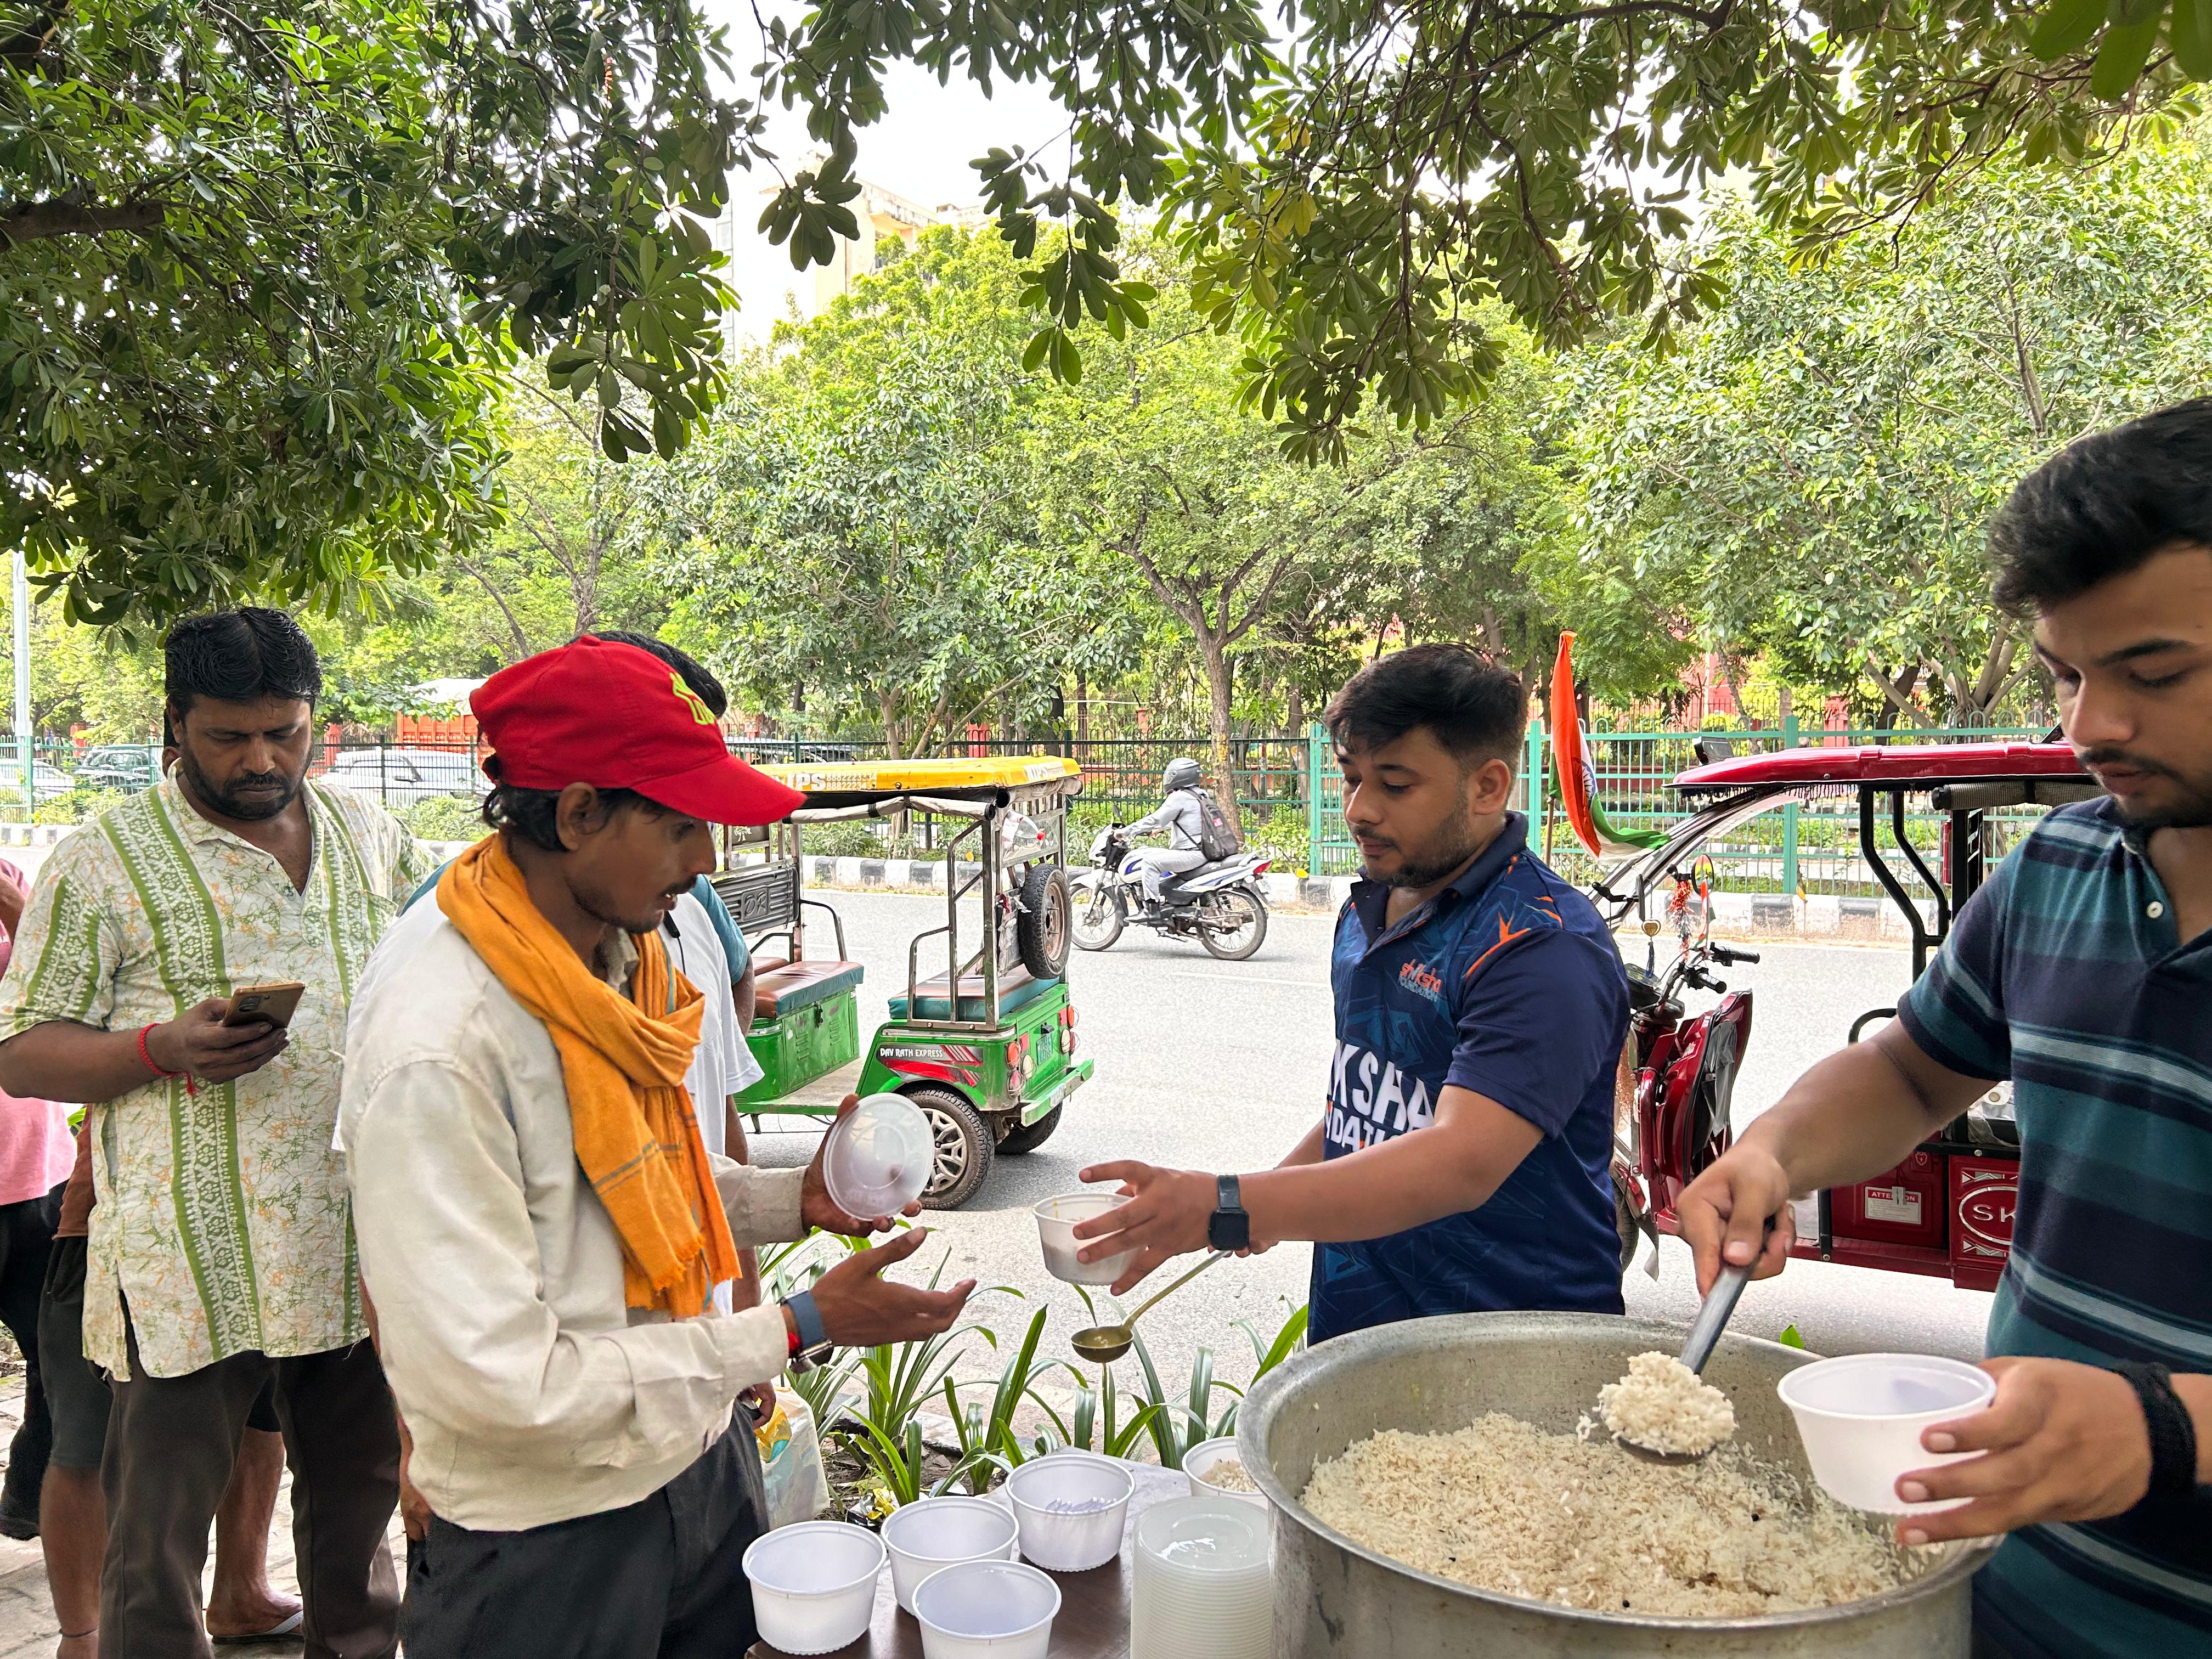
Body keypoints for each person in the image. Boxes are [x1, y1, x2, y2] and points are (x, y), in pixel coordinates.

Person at [1678, 403, 2212, 1659]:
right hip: (2003, 1593)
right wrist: (1775, 1153)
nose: (2090, 729)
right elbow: (1915, 1066)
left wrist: (2169, 1429)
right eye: (2067, 676)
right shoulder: (2058, 871)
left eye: (2154, 673)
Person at [339, 636, 975, 1659]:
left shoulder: (613, 958)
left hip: (692, 1462)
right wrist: (798, 1322)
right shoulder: (443, 1042)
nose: (706, 863)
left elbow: (628, 1188)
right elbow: (505, 1384)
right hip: (547, 1536)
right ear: (580, 810)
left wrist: (790, 1199)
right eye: (681, 826)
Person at [0, 608, 430, 1659]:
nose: (262, 759)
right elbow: (19, 1045)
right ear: (175, 724)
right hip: (188, 1261)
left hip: (349, 1250)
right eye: (230, 736)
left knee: (358, 1529)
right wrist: (156, 1047)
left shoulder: (368, 834)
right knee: (154, 1549)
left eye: (285, 731)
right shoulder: (103, 858)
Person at [1071, 645, 1631, 1343]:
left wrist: (1227, 1205)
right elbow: (1366, 1110)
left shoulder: (1540, 946)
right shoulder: (1371, 910)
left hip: (1504, 1349)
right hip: (1360, 1322)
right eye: (1351, 777)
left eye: (1395, 785)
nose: (1360, 810)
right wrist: (1257, 1201)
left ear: (1488, 787)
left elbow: (1460, 1162)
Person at [0, 855, 75, 1541]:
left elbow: (61, 996)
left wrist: (13, 908)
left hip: (38, 1177)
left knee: (62, 1358)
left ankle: (28, 1495)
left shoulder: (13, 879)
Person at [1122, 757, 1209, 910]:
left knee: (1149, 862)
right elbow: (1189, 822)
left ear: (1180, 776)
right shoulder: (1201, 795)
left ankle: (1152, 909)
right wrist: (1160, 829)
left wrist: (1125, 832)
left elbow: (1156, 819)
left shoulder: (1180, 797)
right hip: (1206, 851)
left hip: (1192, 854)